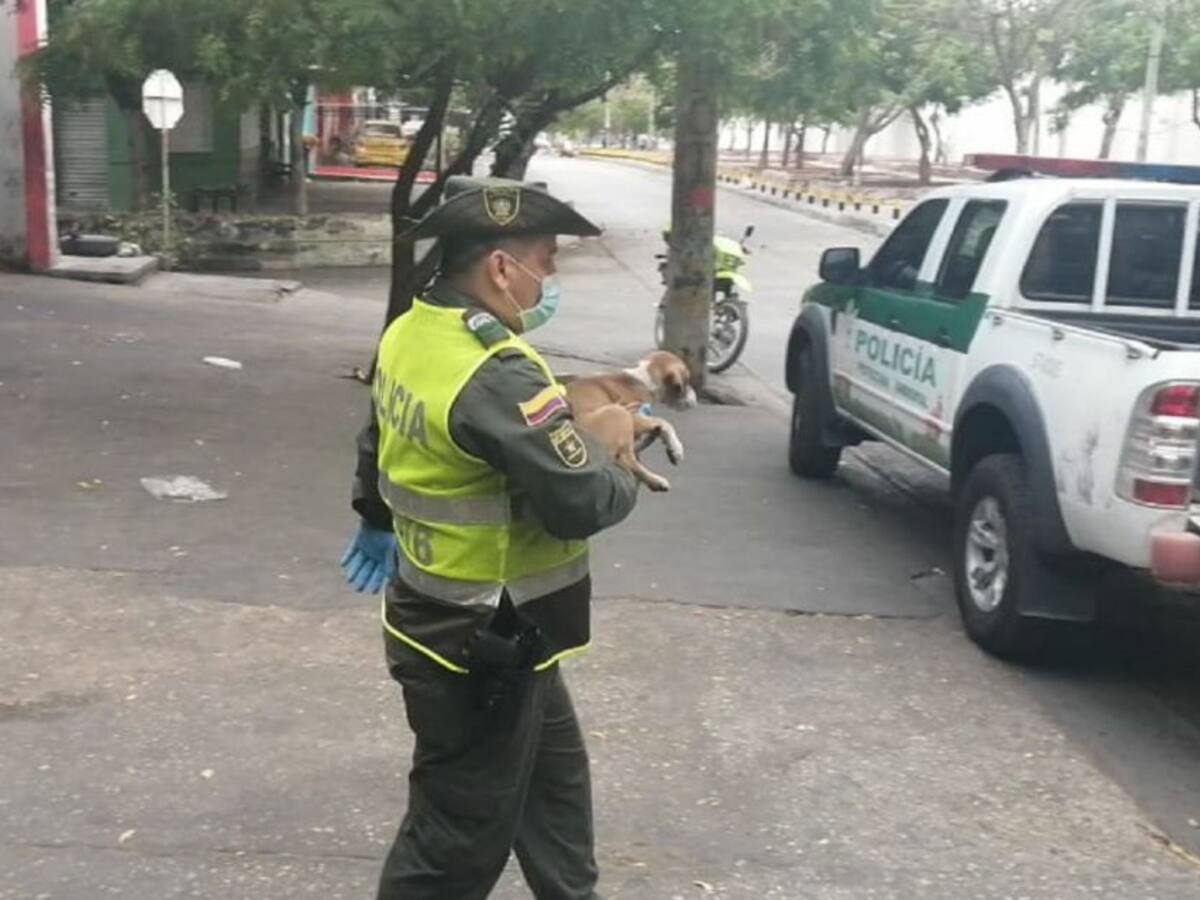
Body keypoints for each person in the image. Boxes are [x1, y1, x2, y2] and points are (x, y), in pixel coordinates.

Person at [341, 175, 640, 900]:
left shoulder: (411, 330)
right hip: (479, 648)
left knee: (555, 797)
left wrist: (374, 516)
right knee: (454, 845)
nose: (553, 277)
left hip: (477, 627)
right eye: (548, 260)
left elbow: (378, 437)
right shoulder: (496, 372)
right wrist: (617, 451)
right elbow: (581, 501)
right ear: (503, 268)